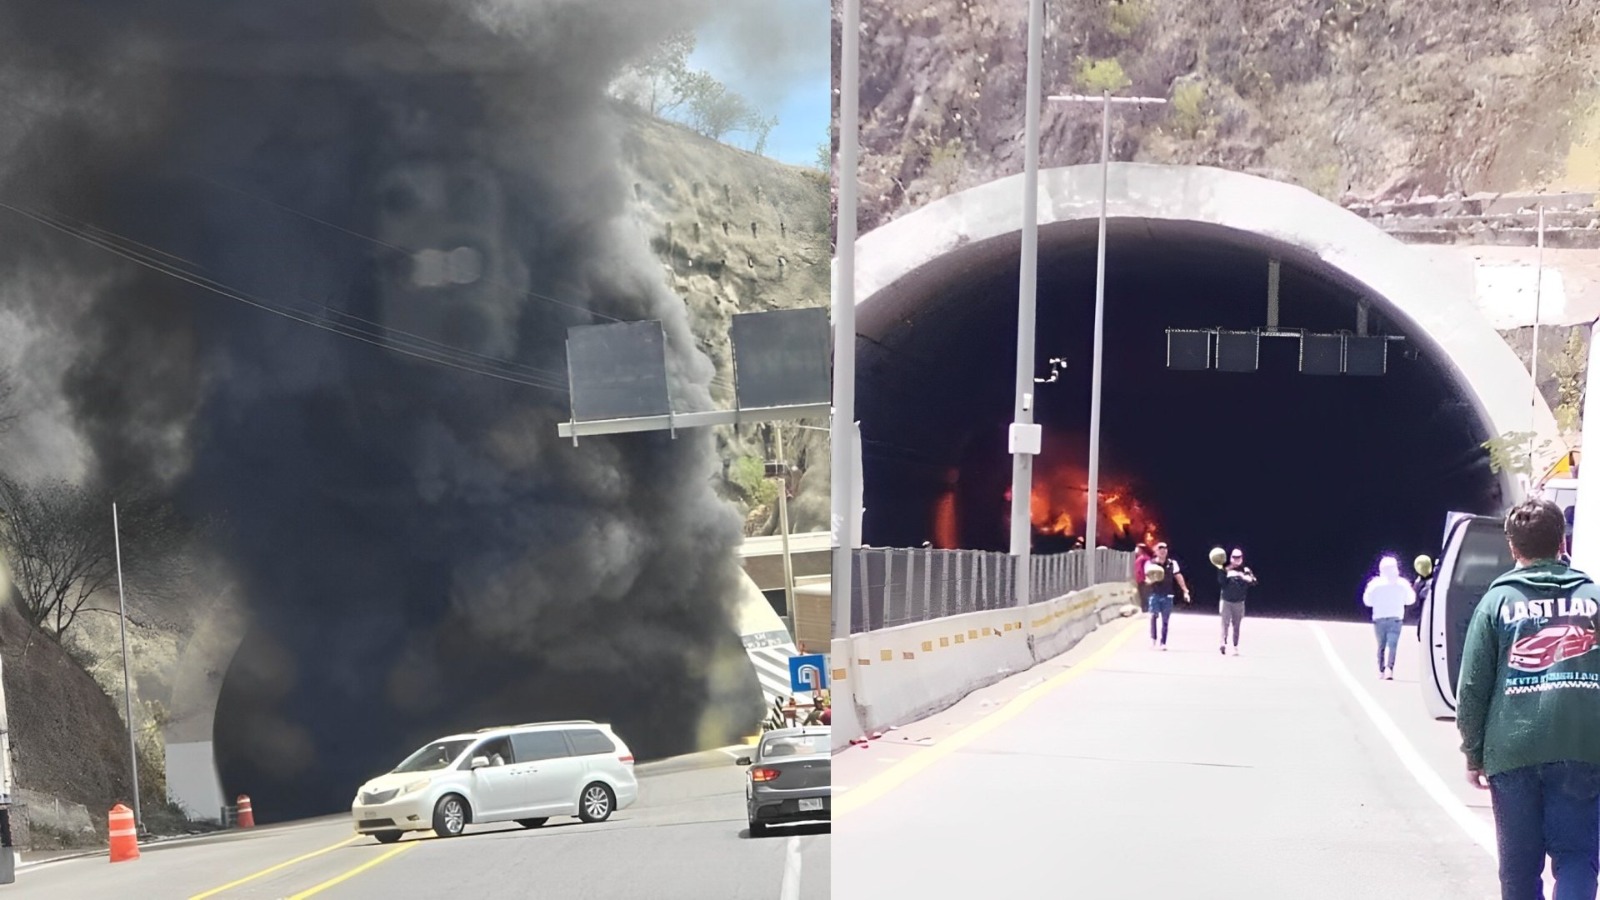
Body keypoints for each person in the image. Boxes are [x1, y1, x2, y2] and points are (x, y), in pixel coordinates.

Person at [1457, 498, 1600, 900]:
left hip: (1512, 748)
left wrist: (1473, 752)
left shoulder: (1496, 603)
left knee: (1519, 871)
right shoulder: (1594, 598)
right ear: (1562, 541)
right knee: (1576, 859)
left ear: (1513, 547)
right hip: (1583, 745)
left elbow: (1472, 686)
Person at [1362, 555, 1416, 680]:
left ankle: (1381, 670)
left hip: (1379, 618)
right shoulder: (1402, 583)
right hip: (1396, 618)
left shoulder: (1374, 584)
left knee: (1381, 644)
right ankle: (1389, 668)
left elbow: (1367, 601)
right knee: (1392, 644)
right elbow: (1411, 600)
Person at [1145, 542, 1191, 650]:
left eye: (1165, 548)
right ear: (1156, 551)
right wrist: (1150, 581)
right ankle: (1153, 639)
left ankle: (1163, 642)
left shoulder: (1172, 563)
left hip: (1167, 594)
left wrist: (1185, 590)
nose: (1163, 550)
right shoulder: (1151, 564)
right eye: (1160, 548)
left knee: (1165, 620)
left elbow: (1178, 576)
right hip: (1154, 594)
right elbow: (1146, 578)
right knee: (1153, 616)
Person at [1217, 548, 1256, 656]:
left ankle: (1235, 646)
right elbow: (1221, 581)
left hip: (1239, 602)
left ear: (1242, 558)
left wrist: (1242, 576)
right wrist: (1228, 573)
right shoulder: (1225, 569)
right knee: (1224, 623)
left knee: (1236, 625)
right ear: (1231, 558)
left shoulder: (1245, 570)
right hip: (1226, 600)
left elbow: (1253, 581)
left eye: (1238, 558)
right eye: (1234, 557)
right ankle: (1222, 643)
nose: (1236, 560)